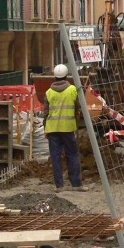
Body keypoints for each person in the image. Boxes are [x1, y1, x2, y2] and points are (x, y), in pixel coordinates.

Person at [44, 64, 89, 192]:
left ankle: (59, 186)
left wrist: (45, 129)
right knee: (72, 155)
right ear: (66, 75)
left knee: (55, 157)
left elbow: (45, 113)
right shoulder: (72, 90)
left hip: (52, 129)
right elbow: (78, 107)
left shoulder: (49, 92)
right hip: (68, 128)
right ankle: (76, 184)